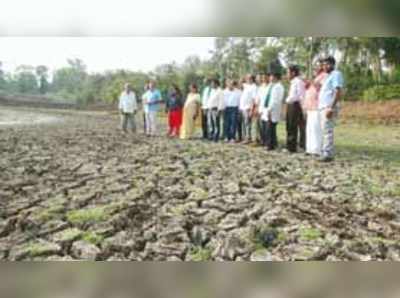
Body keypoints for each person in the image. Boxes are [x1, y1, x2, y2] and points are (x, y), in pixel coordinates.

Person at [318, 56, 344, 162]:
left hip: (329, 107)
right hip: (323, 107)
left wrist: (331, 108)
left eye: (327, 64)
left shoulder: (336, 74)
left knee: (327, 130)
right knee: (324, 130)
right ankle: (325, 151)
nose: (324, 66)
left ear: (332, 64)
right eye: (323, 64)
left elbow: (338, 92)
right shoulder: (327, 76)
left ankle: (327, 154)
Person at [304, 61, 328, 156]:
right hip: (310, 106)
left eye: (317, 66)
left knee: (316, 129)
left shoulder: (324, 76)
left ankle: (316, 149)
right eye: (314, 66)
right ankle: (309, 148)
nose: (315, 68)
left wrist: (312, 83)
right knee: (309, 129)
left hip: (317, 106)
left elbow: (321, 88)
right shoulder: (316, 77)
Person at [260, 73, 285, 150]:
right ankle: (270, 143)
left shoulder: (279, 87)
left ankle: (270, 144)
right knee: (267, 127)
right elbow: (265, 97)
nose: (270, 78)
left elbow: (275, 100)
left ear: (275, 77)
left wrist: (270, 109)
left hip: (273, 109)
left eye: (271, 76)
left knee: (270, 127)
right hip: (266, 108)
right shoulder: (270, 86)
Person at [286, 65, 306, 153]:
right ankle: (289, 145)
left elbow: (301, 96)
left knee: (293, 126)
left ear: (293, 73)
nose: (287, 75)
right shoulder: (292, 82)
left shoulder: (299, 82)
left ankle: (292, 147)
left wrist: (303, 108)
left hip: (295, 105)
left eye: (288, 72)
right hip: (290, 105)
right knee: (289, 126)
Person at [239, 74, 257, 144]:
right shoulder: (246, 85)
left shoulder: (254, 87)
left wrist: (252, 109)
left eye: (249, 78)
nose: (247, 79)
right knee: (244, 123)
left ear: (252, 79)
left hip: (248, 107)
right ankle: (245, 137)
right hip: (242, 107)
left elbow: (254, 99)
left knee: (247, 124)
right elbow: (240, 84)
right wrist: (242, 78)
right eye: (247, 78)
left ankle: (248, 138)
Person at [255, 74, 270, 145]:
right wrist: (257, 108)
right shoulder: (261, 88)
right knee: (260, 126)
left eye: (265, 77)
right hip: (260, 109)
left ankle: (267, 141)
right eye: (263, 78)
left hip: (267, 109)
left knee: (267, 126)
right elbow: (258, 99)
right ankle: (262, 140)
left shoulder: (270, 87)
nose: (264, 79)